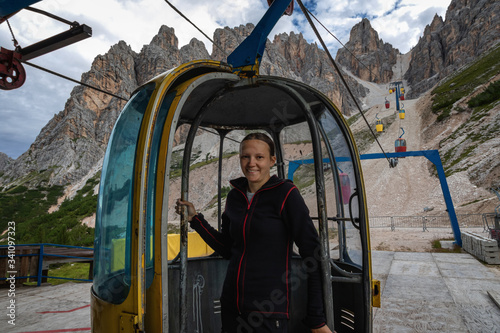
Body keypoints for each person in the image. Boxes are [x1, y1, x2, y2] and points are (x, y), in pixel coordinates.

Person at [176, 132, 333, 333]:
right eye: (245, 156)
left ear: (272, 161)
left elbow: (313, 254)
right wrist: (195, 219)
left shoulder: (286, 195)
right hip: (232, 307)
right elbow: (227, 248)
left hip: (268, 311)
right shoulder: (234, 197)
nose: (252, 163)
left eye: (259, 157)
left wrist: (317, 319)